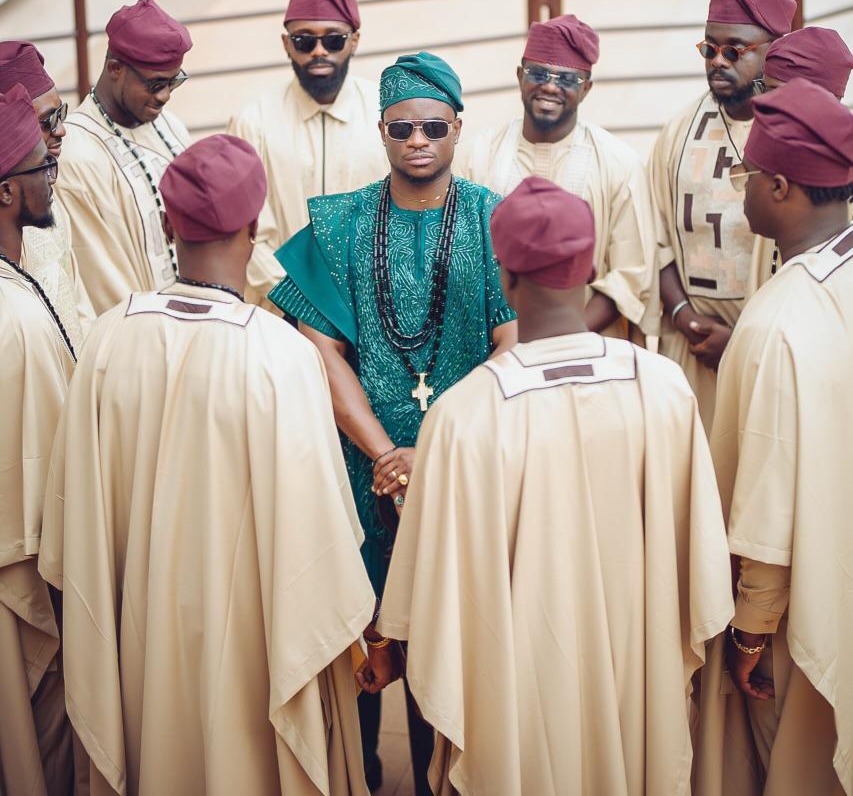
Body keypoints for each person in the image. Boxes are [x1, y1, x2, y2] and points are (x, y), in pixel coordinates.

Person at [39, 133, 395, 796]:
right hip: (251, 654)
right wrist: (369, 634)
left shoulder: (109, 339)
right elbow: (317, 539)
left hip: (139, 645)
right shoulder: (279, 355)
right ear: (254, 228)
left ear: (169, 225)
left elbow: (74, 532)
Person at [378, 176, 734, 796]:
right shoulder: (662, 387)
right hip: (636, 668)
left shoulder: (464, 415)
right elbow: (699, 570)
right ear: (591, 269)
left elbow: (428, 603)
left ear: (505, 277)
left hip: (519, 698)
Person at [269, 51, 517, 796]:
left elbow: (511, 346)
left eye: (433, 127)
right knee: (359, 635)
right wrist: (387, 455)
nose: (417, 140)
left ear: (458, 127)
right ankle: (363, 778)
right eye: (401, 127)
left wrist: (431, 452)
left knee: (453, 637)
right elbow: (319, 350)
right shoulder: (338, 224)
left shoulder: (495, 218)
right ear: (380, 130)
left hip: (465, 466)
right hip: (357, 468)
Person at [693, 79, 853, 796]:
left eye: (747, 174)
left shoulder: (775, 322)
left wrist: (750, 631)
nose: (743, 188)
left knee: (797, 767)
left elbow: (767, 509)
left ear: (781, 187)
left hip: (803, 613)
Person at [648, 0, 796, 432]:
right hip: (692, 348)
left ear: (774, 49)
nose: (717, 61)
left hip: (773, 349)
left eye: (734, 50)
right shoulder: (678, 131)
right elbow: (654, 235)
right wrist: (683, 317)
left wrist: (742, 339)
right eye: (709, 48)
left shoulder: (796, 133)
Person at [460, 13, 658, 339]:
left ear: (587, 88)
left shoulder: (620, 164)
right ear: (520, 76)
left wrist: (559, 338)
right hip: (492, 348)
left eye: (567, 79)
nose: (550, 86)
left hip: (587, 347)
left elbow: (629, 278)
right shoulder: (476, 155)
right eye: (538, 74)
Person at [0, 84, 76, 795]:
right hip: (18, 571)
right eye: (40, 167)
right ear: (5, 192)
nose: (52, 174)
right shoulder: (13, 318)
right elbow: (54, 463)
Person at [228, 0, 385, 303]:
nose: (319, 51)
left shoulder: (385, 112)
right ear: (287, 44)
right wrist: (300, 303)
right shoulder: (252, 122)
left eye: (333, 39)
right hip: (281, 310)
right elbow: (244, 230)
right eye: (304, 41)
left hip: (375, 304)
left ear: (354, 41)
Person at [56, 0, 192, 314]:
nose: (165, 96)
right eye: (156, 84)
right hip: (137, 329)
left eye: (174, 82)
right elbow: (102, 278)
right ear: (115, 69)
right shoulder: (75, 154)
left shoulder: (171, 126)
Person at [0, 40, 95, 352]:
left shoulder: (47, 199)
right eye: (47, 120)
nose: (62, 130)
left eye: (61, 114)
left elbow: (78, 306)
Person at [745, 25, 853, 297]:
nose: (765, 103)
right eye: (764, 89)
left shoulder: (838, 172)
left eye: (777, 92)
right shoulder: (777, 158)